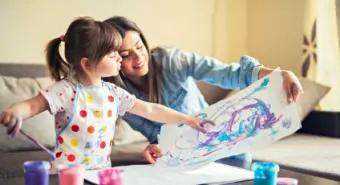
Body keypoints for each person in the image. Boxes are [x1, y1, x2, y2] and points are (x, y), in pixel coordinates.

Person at [0, 17, 205, 173]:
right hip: (68, 175)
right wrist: (16, 112)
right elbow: (32, 105)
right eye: (113, 54)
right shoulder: (65, 90)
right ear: (87, 64)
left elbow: (150, 109)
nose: (119, 58)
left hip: (101, 172)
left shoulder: (114, 93)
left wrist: (186, 119)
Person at [103, 16, 304, 164]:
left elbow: (227, 73)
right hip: (173, 157)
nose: (138, 58)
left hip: (218, 145)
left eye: (139, 46)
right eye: (126, 54)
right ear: (113, 58)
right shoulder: (115, 93)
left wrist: (279, 75)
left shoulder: (171, 61)